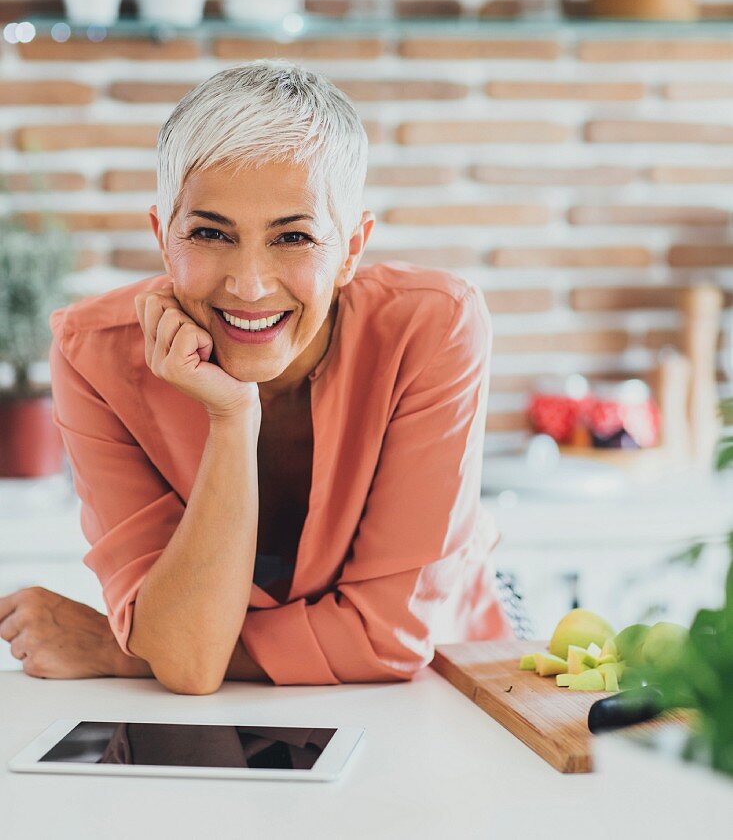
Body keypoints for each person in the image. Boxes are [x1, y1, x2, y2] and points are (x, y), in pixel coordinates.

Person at [2, 60, 513, 693]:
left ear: (352, 248)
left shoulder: (434, 326)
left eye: (293, 237)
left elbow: (389, 640)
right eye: (211, 233)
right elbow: (190, 667)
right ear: (164, 238)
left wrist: (128, 649)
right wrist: (231, 414)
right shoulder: (95, 355)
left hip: (449, 687)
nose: (248, 284)